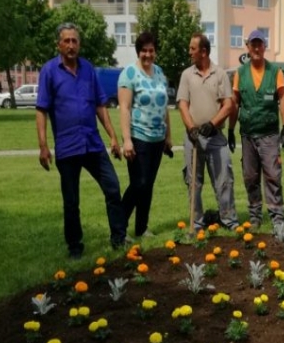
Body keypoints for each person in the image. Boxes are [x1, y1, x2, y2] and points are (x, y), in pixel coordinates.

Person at [35, 22, 127, 259]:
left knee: (112, 187)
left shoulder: (88, 69)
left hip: (92, 143)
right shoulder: (49, 71)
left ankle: (119, 238)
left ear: (79, 44)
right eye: (66, 41)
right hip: (67, 147)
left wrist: (113, 137)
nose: (71, 45)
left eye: (75, 41)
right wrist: (43, 146)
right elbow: (41, 110)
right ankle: (75, 247)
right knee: (71, 201)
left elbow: (100, 105)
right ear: (59, 44)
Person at [177, 33, 239, 230]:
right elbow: (183, 105)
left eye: (192, 49)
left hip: (215, 137)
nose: (189, 52)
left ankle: (228, 220)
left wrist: (212, 124)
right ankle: (196, 223)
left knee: (224, 180)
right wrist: (192, 128)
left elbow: (228, 105)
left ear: (203, 52)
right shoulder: (187, 75)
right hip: (193, 139)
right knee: (193, 182)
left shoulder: (220, 74)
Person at [232, 29, 284, 230]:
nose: (256, 48)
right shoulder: (240, 73)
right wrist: (231, 130)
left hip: (269, 135)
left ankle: (277, 216)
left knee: (273, 175)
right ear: (247, 47)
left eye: (260, 44)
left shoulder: (275, 71)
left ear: (265, 47)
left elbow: (283, 98)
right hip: (248, 135)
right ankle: (255, 215)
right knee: (250, 176)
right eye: (253, 44)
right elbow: (235, 102)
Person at [118, 31, 172, 238]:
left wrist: (168, 136)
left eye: (151, 50)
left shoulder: (159, 72)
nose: (148, 55)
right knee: (138, 183)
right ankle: (119, 226)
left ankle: (141, 228)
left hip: (157, 139)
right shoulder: (129, 74)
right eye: (144, 50)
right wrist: (127, 140)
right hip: (138, 137)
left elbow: (164, 106)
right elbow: (124, 108)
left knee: (148, 184)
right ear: (138, 51)